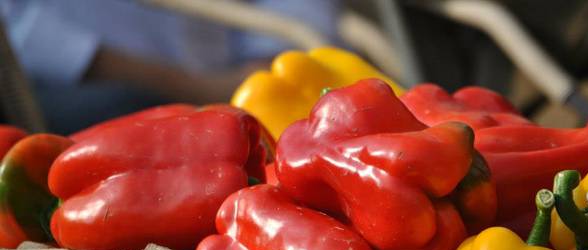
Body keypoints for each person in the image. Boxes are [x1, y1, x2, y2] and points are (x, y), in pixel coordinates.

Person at [0, 0, 342, 133]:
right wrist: (193, 88)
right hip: (66, 90)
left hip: (234, 88)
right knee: (125, 103)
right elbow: (20, 28)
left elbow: (297, 20)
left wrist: (271, 68)